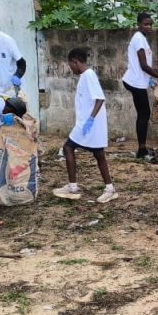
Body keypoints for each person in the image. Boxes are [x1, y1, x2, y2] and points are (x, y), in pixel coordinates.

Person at [53, 47, 117, 203]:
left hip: (89, 125)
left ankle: (74, 187)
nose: (71, 68)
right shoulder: (85, 76)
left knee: (68, 147)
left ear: (75, 61)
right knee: (98, 154)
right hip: (87, 124)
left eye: (70, 65)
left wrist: (90, 120)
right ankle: (109, 188)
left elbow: (100, 99)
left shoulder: (88, 76)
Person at [121, 12, 158, 161]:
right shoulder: (139, 39)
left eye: (150, 24)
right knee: (144, 115)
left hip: (137, 81)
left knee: (143, 114)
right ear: (138, 24)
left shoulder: (142, 39)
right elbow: (143, 66)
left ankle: (142, 148)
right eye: (145, 24)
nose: (149, 27)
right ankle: (142, 150)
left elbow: (144, 64)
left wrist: (157, 71)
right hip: (135, 82)